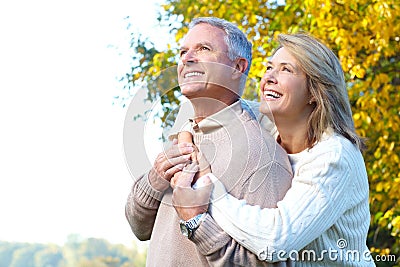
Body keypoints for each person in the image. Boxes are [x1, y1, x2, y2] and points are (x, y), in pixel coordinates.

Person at [174, 33, 374, 266]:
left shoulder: (334, 155)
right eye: (269, 67)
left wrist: (207, 189)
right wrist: (185, 135)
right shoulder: (263, 123)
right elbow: (205, 106)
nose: (269, 77)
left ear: (314, 92)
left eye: (286, 70)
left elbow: (275, 241)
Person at [125, 17, 293, 266]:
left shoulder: (262, 155)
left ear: (237, 67)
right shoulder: (184, 134)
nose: (187, 58)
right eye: (183, 51)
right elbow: (139, 228)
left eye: (203, 49)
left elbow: (270, 262)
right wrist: (154, 180)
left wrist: (196, 224)